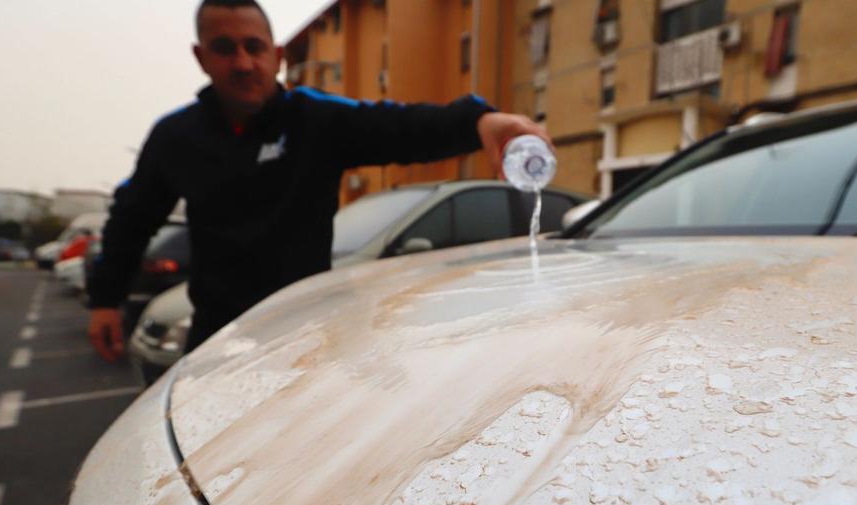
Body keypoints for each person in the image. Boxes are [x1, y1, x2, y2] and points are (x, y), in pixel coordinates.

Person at [88, 0, 550, 360]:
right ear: (201, 57)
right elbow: (133, 217)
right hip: (217, 340)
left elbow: (401, 126)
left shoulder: (316, 119)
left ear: (278, 55)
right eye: (225, 48)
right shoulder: (176, 137)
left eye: (255, 47)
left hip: (307, 337)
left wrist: (480, 122)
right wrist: (106, 299)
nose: (244, 62)